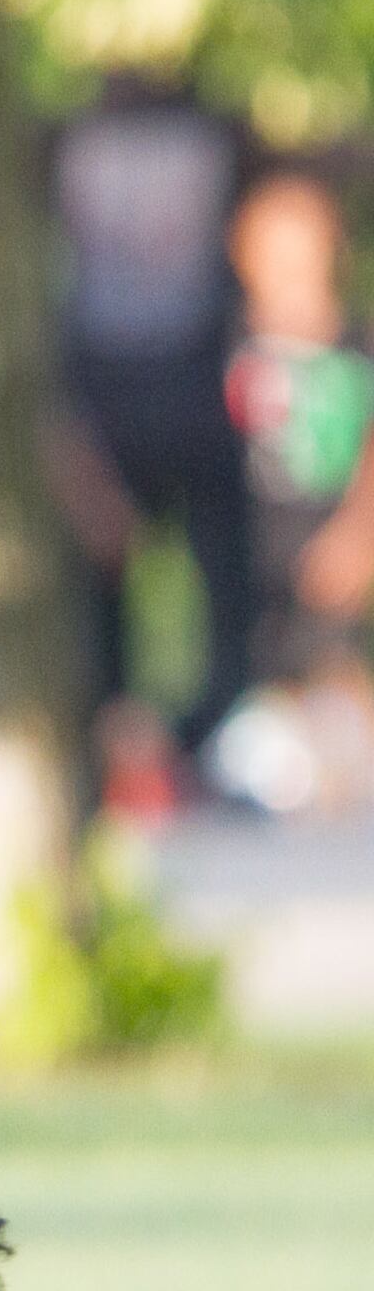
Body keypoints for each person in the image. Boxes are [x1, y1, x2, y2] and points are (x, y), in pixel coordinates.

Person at [44, 78, 260, 789]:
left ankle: (197, 741)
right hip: (103, 390)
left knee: (225, 577)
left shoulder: (214, 132)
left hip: (195, 386)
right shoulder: (70, 141)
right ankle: (119, 747)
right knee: (100, 584)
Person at [211, 164, 374, 809]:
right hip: (251, 582)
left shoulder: (358, 341)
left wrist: (359, 535)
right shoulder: (225, 342)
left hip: (337, 573)